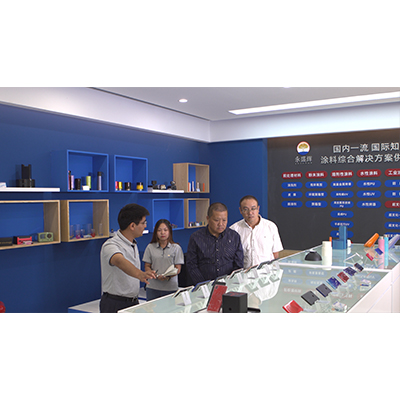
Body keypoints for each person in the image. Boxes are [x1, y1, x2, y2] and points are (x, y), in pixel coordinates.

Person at [100, 203, 157, 313]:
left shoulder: (133, 244)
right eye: (143, 223)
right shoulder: (110, 245)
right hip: (114, 303)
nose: (145, 226)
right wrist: (140, 274)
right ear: (132, 226)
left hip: (133, 301)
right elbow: (119, 261)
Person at [186, 202, 244, 285]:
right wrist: (204, 285)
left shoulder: (234, 236)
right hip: (203, 286)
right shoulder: (196, 237)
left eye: (224, 220)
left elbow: (238, 264)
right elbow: (191, 265)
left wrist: (231, 282)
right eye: (216, 220)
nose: (221, 224)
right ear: (208, 219)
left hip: (229, 284)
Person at [230, 195, 283, 269]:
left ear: (258, 209)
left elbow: (275, 254)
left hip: (267, 272)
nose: (250, 213)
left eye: (253, 209)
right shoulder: (234, 230)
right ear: (240, 210)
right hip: (244, 273)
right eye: (245, 209)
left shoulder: (271, 226)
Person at [143, 219, 184, 301]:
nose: (162, 233)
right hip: (152, 287)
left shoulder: (176, 248)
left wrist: (167, 276)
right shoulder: (150, 247)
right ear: (156, 232)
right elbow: (147, 266)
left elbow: (178, 269)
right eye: (159, 230)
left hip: (171, 288)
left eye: (165, 230)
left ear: (170, 232)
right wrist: (155, 275)